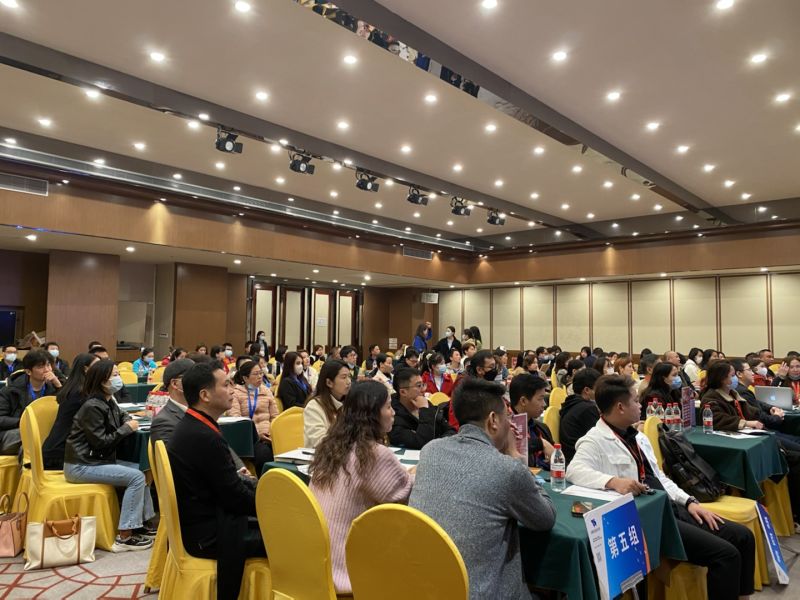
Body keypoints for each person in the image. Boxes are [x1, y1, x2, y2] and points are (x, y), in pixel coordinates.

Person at [566, 374, 755, 600]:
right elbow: (574, 471)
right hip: (650, 519)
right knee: (726, 555)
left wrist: (689, 502)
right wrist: (614, 482)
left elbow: (660, 478)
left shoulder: (637, 437)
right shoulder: (595, 439)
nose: (641, 405)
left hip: (672, 507)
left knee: (743, 536)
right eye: (636, 401)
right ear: (620, 407)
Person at [410, 378, 556, 599]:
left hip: (426, 588)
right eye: (507, 417)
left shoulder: (430, 450)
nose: (510, 425)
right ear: (493, 420)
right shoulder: (507, 469)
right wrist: (515, 458)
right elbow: (545, 518)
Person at [168, 361, 264, 598]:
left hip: (202, 520)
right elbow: (235, 498)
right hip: (208, 534)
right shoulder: (203, 436)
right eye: (226, 385)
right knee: (289, 534)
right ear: (205, 395)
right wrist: (269, 504)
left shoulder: (194, 425)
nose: (232, 390)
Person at [310, 381, 413, 594]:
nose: (393, 412)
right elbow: (405, 496)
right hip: (346, 569)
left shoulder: (331, 446)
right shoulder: (373, 454)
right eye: (388, 406)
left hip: (315, 562)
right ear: (372, 414)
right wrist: (417, 473)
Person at [63, 360, 155, 551]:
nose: (118, 378)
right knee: (136, 477)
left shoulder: (108, 401)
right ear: (102, 381)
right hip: (81, 465)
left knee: (143, 470)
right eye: (114, 375)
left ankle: (140, 523)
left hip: (96, 460)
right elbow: (101, 442)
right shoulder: (92, 406)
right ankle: (125, 536)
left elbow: (124, 416)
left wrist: (126, 423)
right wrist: (126, 429)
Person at [41, 353, 99, 469]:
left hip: (65, 450)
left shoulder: (78, 388)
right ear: (86, 369)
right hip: (61, 455)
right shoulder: (80, 393)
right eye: (97, 365)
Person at [0, 349, 61, 455]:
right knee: (33, 437)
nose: (47, 370)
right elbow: (1, 419)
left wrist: (58, 385)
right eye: (40, 367)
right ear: (28, 371)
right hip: (15, 433)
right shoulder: (10, 391)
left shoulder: (55, 389)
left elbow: (68, 410)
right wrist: (26, 422)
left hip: (44, 432)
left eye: (48, 365)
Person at [229, 359, 279, 471]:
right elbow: (236, 420)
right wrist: (258, 435)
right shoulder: (236, 393)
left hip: (269, 435)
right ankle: (266, 480)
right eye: (256, 374)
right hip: (250, 438)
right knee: (264, 454)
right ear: (245, 378)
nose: (260, 376)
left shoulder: (266, 391)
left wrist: (272, 433)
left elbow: (275, 416)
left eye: (261, 373)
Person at [389, 368, 455, 449]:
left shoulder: (427, 404)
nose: (424, 389)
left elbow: (451, 431)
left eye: (423, 384)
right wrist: (424, 410)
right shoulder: (393, 417)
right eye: (419, 386)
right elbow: (421, 443)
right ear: (403, 392)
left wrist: (439, 444)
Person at [509, 373, 553, 469]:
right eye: (540, 399)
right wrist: (540, 444)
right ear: (523, 401)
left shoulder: (542, 428)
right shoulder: (505, 431)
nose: (544, 404)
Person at [558, 368, 602, 464]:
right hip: (581, 460)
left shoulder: (572, 403)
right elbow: (601, 438)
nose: (601, 392)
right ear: (587, 390)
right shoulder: (587, 409)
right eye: (598, 389)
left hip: (572, 456)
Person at [304, 359, 351, 448]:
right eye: (344, 377)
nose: (349, 382)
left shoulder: (349, 403)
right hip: (321, 455)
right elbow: (320, 442)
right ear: (329, 383)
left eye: (349, 376)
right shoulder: (314, 406)